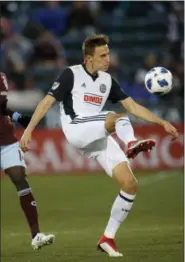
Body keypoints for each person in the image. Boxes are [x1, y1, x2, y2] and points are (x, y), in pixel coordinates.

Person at [20, 35, 178, 257]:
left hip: (97, 135)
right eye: (102, 55)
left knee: (130, 184)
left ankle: (107, 238)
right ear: (88, 59)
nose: (107, 59)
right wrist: (28, 130)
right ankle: (131, 143)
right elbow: (47, 102)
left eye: (108, 54)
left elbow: (132, 106)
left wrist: (162, 122)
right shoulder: (71, 74)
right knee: (118, 117)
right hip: (76, 129)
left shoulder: (107, 80)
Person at [0, 72, 55, 250]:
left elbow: (1, 106)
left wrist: (16, 117)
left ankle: (36, 235)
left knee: (20, 179)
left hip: (6, 140)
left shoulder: (0, 77)